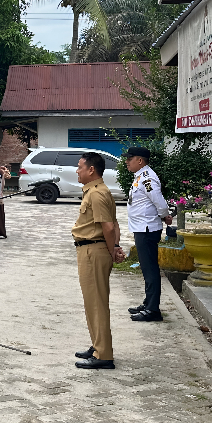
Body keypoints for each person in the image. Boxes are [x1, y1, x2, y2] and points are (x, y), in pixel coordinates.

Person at [72, 152, 124, 370]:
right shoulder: (99, 191)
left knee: (97, 304)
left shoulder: (96, 194)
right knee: (93, 302)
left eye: (80, 166)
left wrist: (113, 250)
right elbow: (114, 224)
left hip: (93, 251)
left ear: (91, 170)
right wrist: (116, 247)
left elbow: (109, 227)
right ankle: (97, 346)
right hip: (92, 250)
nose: (77, 170)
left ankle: (103, 354)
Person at [124, 147, 172, 322]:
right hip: (141, 227)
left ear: (140, 161)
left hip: (147, 228)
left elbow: (159, 201)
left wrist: (164, 215)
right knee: (146, 268)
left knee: (150, 269)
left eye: (130, 159)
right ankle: (148, 302)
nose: (127, 162)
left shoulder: (147, 178)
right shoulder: (140, 177)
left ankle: (153, 310)